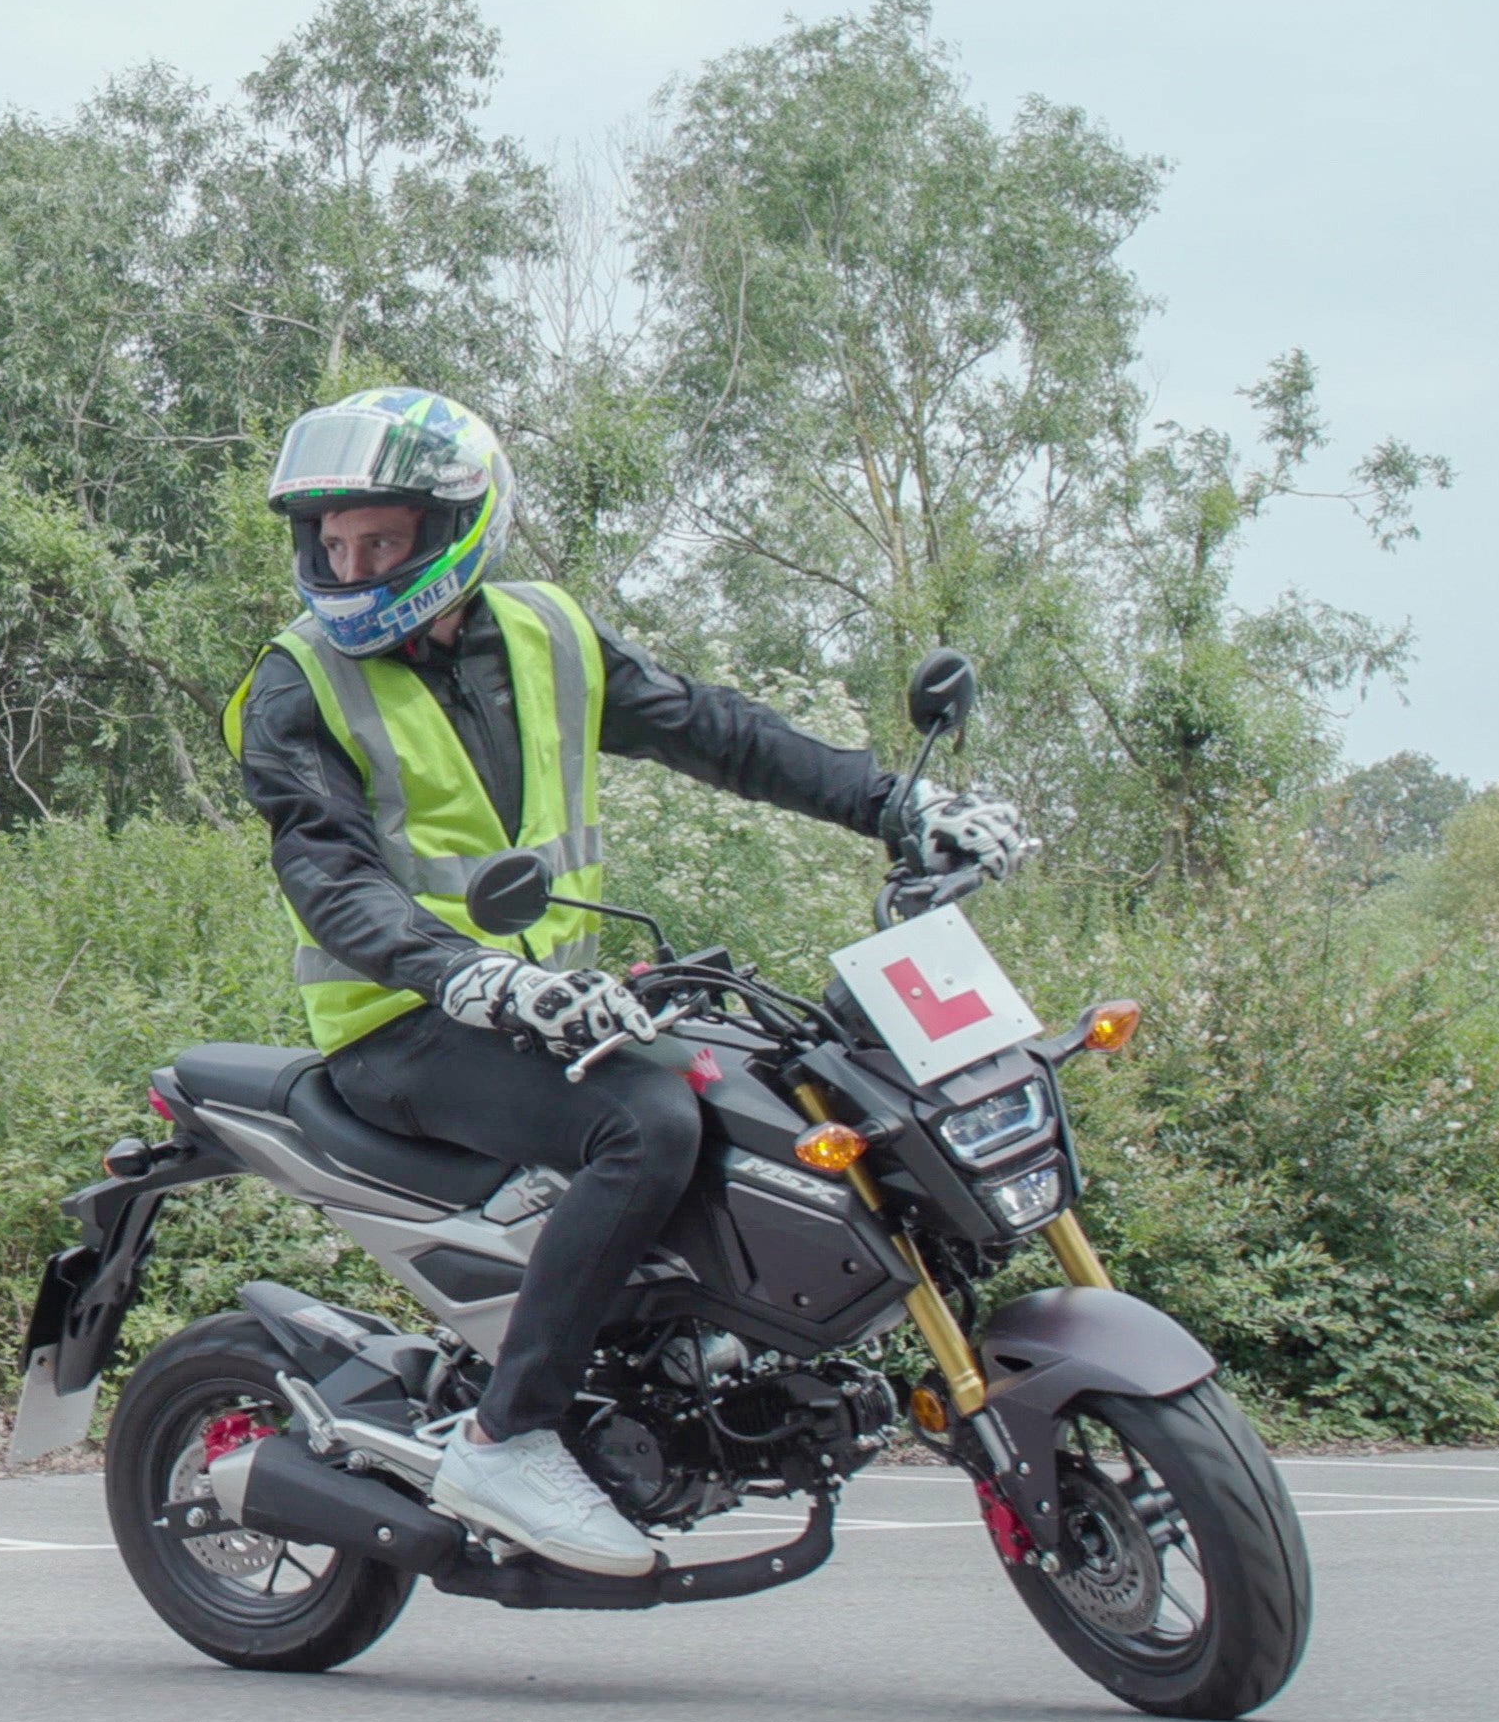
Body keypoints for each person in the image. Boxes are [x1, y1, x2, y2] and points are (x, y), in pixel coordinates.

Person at [223, 388, 1029, 1576]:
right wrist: (471, 978)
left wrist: (900, 807)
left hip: (543, 1008)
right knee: (646, 1121)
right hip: (403, 1023)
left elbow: (722, 734)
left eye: (378, 541)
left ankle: (672, 1373)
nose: (349, 568)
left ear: (454, 527)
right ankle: (510, 1436)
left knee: (762, 1086)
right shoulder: (297, 686)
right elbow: (332, 879)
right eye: (332, 544)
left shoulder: (547, 633)